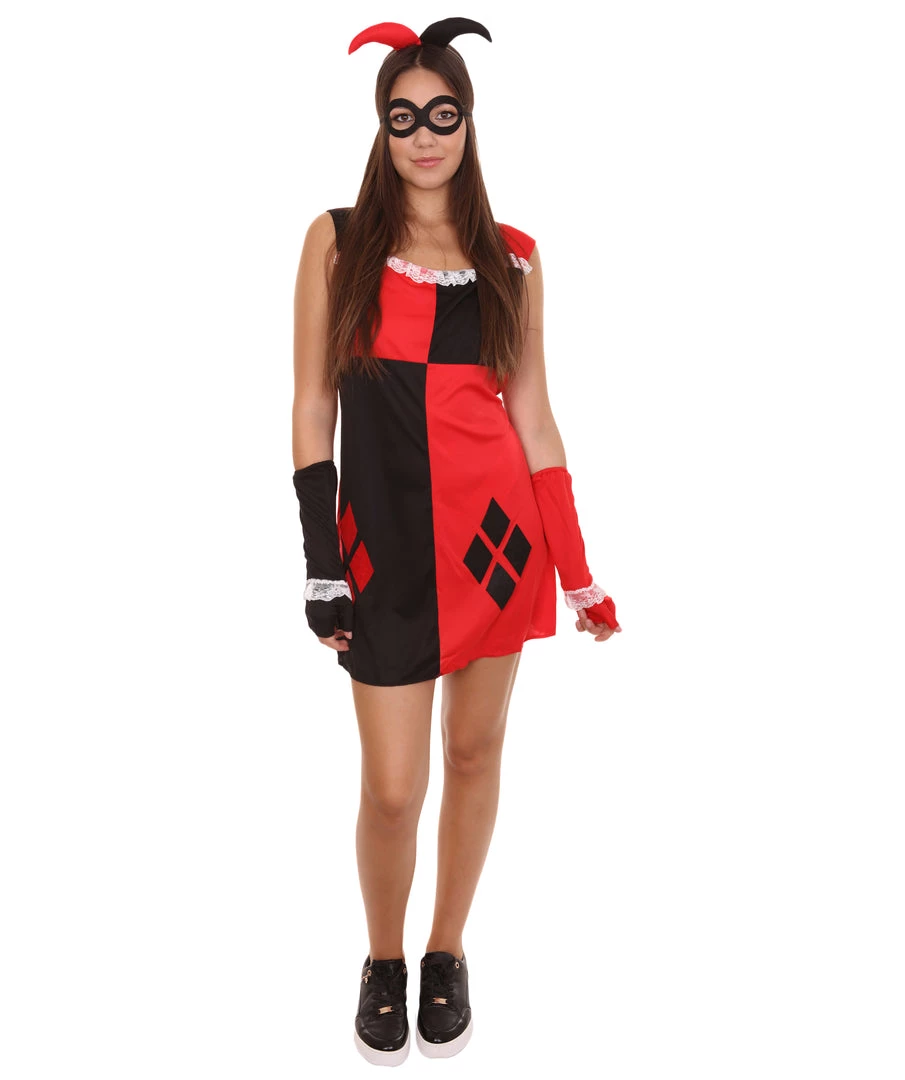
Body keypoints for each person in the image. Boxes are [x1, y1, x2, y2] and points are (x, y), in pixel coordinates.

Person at [291, 17, 621, 1066]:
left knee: (474, 754)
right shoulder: (337, 239)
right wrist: (319, 562)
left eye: (443, 114)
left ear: (469, 122)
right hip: (383, 553)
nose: (425, 136)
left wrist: (577, 572)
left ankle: (446, 950)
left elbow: (534, 422)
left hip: (495, 549)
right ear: (380, 128)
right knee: (392, 789)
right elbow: (311, 410)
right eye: (404, 118)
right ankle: (381, 958)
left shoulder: (512, 257)